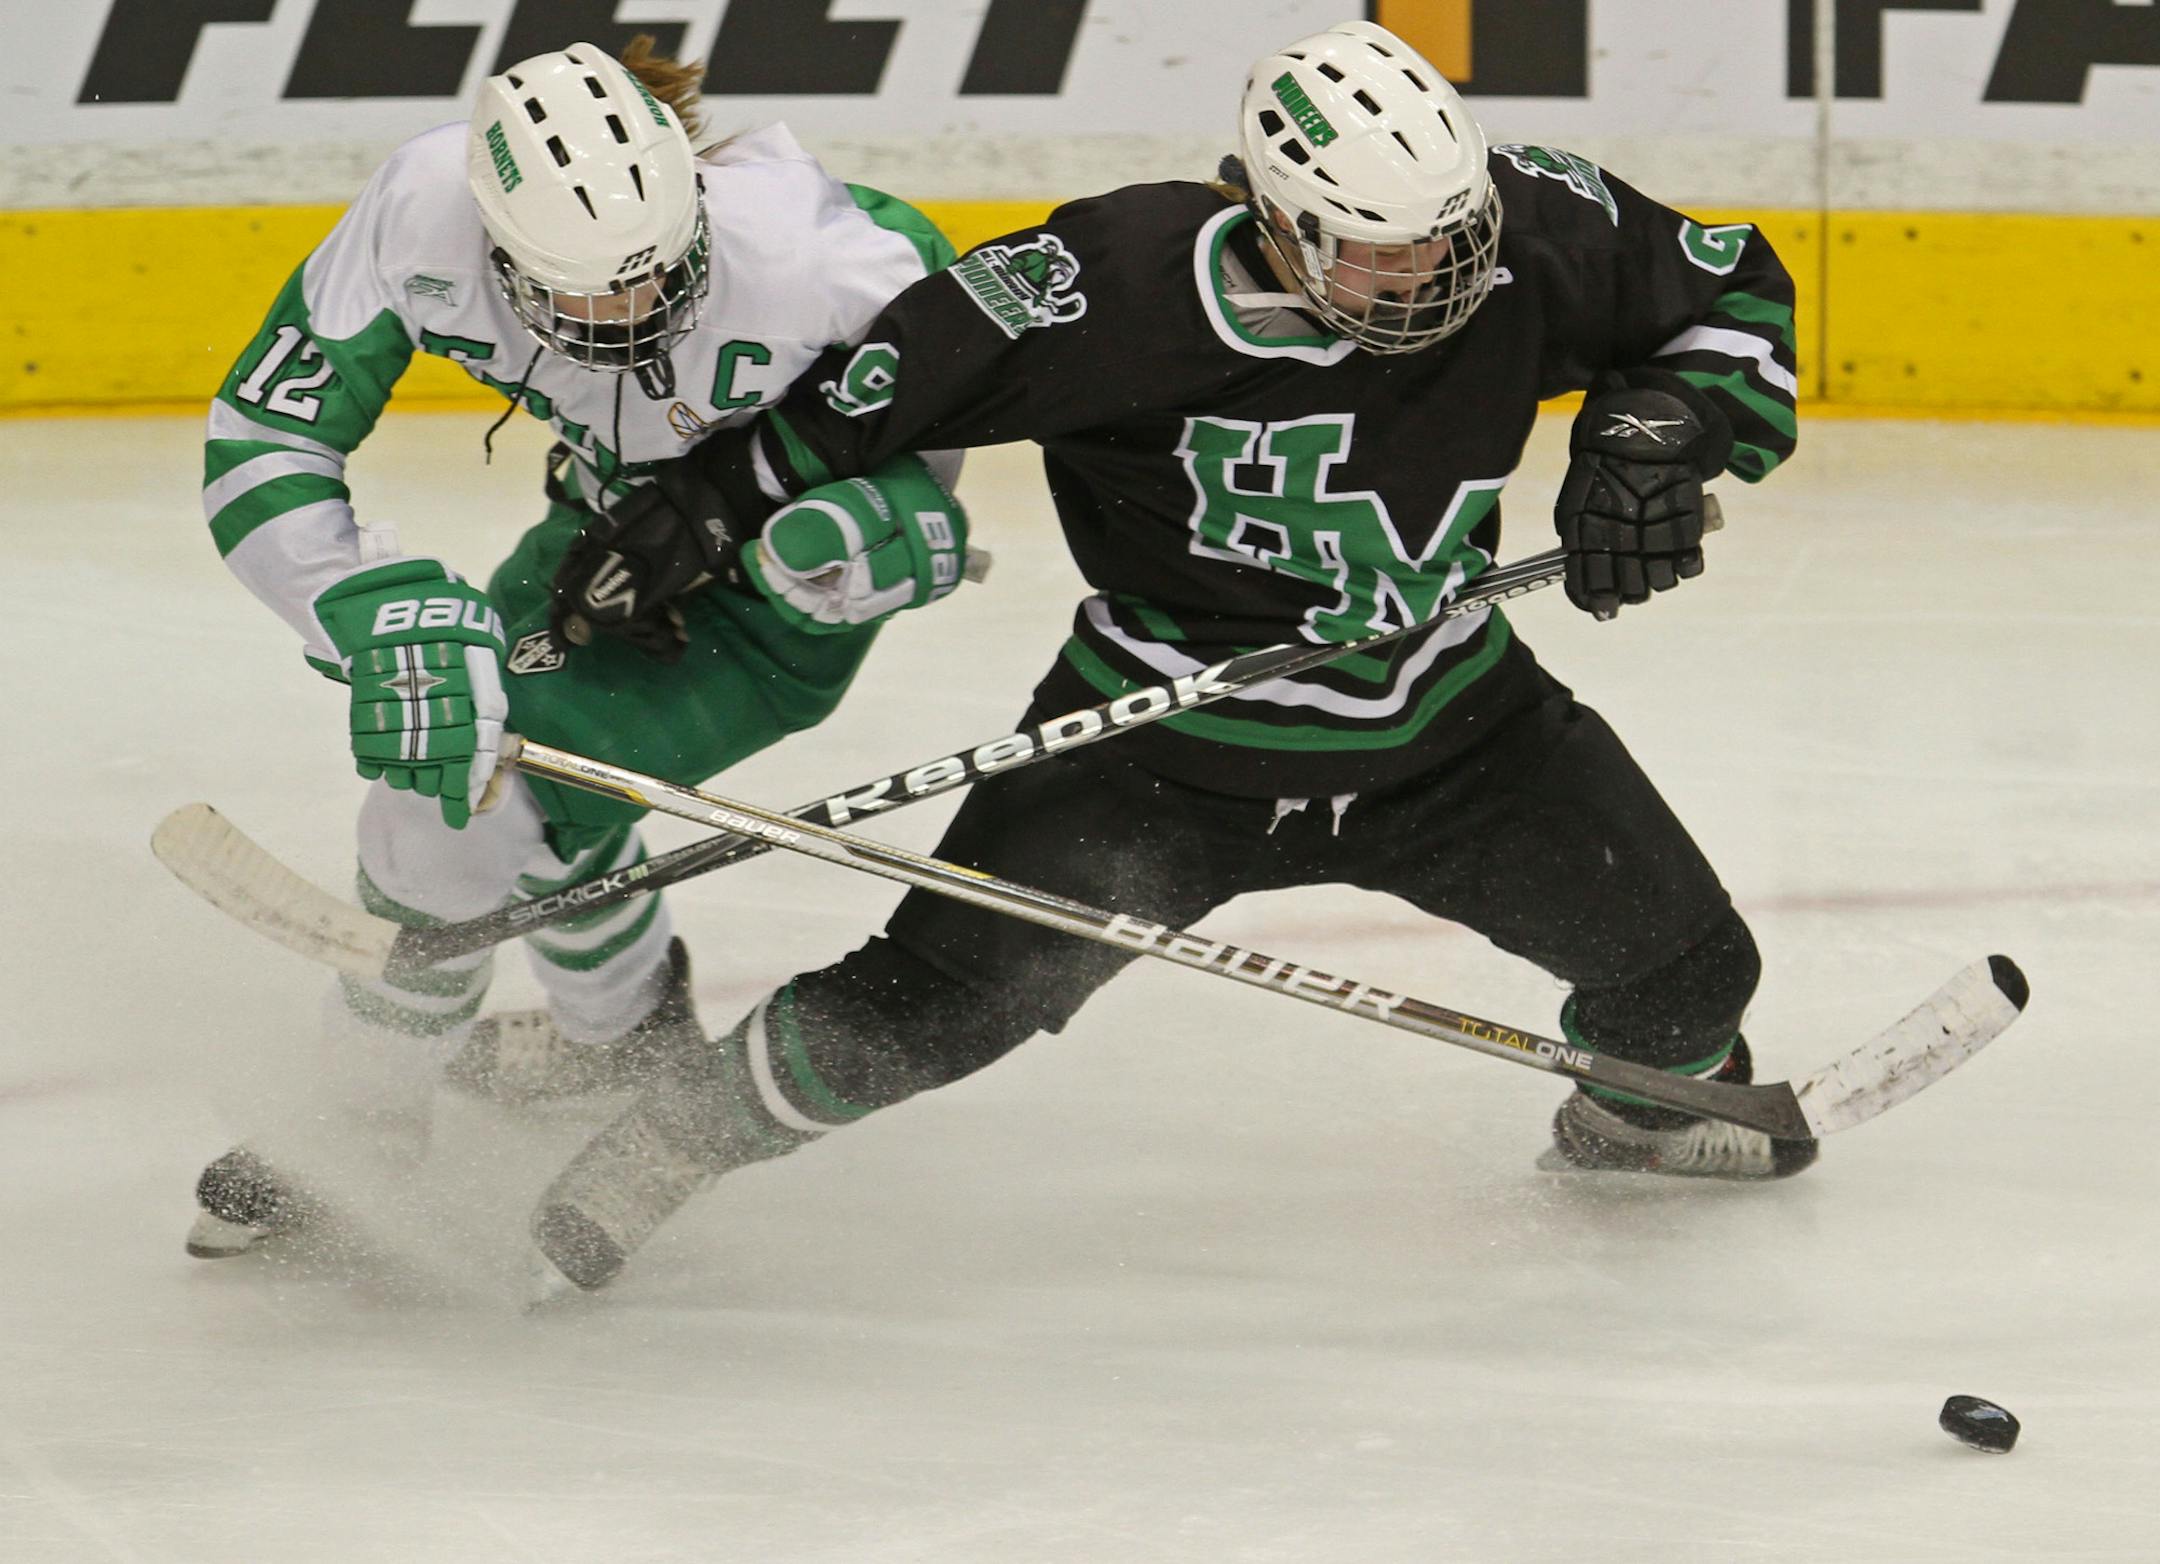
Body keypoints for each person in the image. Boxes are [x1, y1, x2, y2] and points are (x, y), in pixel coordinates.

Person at [523, 18, 1808, 1294]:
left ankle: (1625, 1123)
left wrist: (1655, 433)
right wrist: (700, 510)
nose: (1434, 275)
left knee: (1696, 978)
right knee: (924, 1004)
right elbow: (874, 391)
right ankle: (669, 1140)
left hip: (1460, 726)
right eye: (1378, 250)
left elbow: (1736, 293)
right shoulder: (1106, 282)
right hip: (1154, 746)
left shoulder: (1529, 228)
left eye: (1449, 237)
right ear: (1278, 219)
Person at [186, 37, 972, 1258]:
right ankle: (627, 1030)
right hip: (601, 533)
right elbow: (261, 440)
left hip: (771, 602)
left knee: (448, 812)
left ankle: (359, 1124)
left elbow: (941, 467)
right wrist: (364, 604)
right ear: (496, 241)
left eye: (656, 276)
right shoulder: (422, 210)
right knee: (499, 792)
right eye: (580, 290)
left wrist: (874, 532)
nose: (628, 315)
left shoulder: (837, 256)